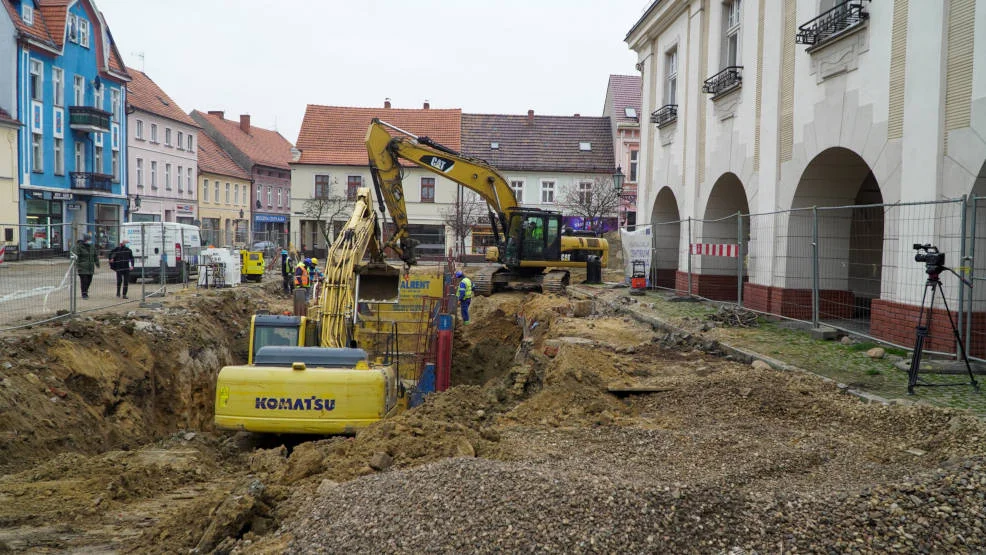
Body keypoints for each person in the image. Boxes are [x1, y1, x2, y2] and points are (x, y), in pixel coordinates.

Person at [72, 233, 100, 299]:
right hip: (82, 267)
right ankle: (84, 293)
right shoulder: (78, 247)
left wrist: (97, 263)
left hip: (90, 267)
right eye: (88, 239)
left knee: (89, 280)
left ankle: (86, 291)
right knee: (84, 281)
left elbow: (95, 255)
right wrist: (77, 265)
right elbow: (75, 256)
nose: (90, 241)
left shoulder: (92, 246)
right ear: (84, 240)